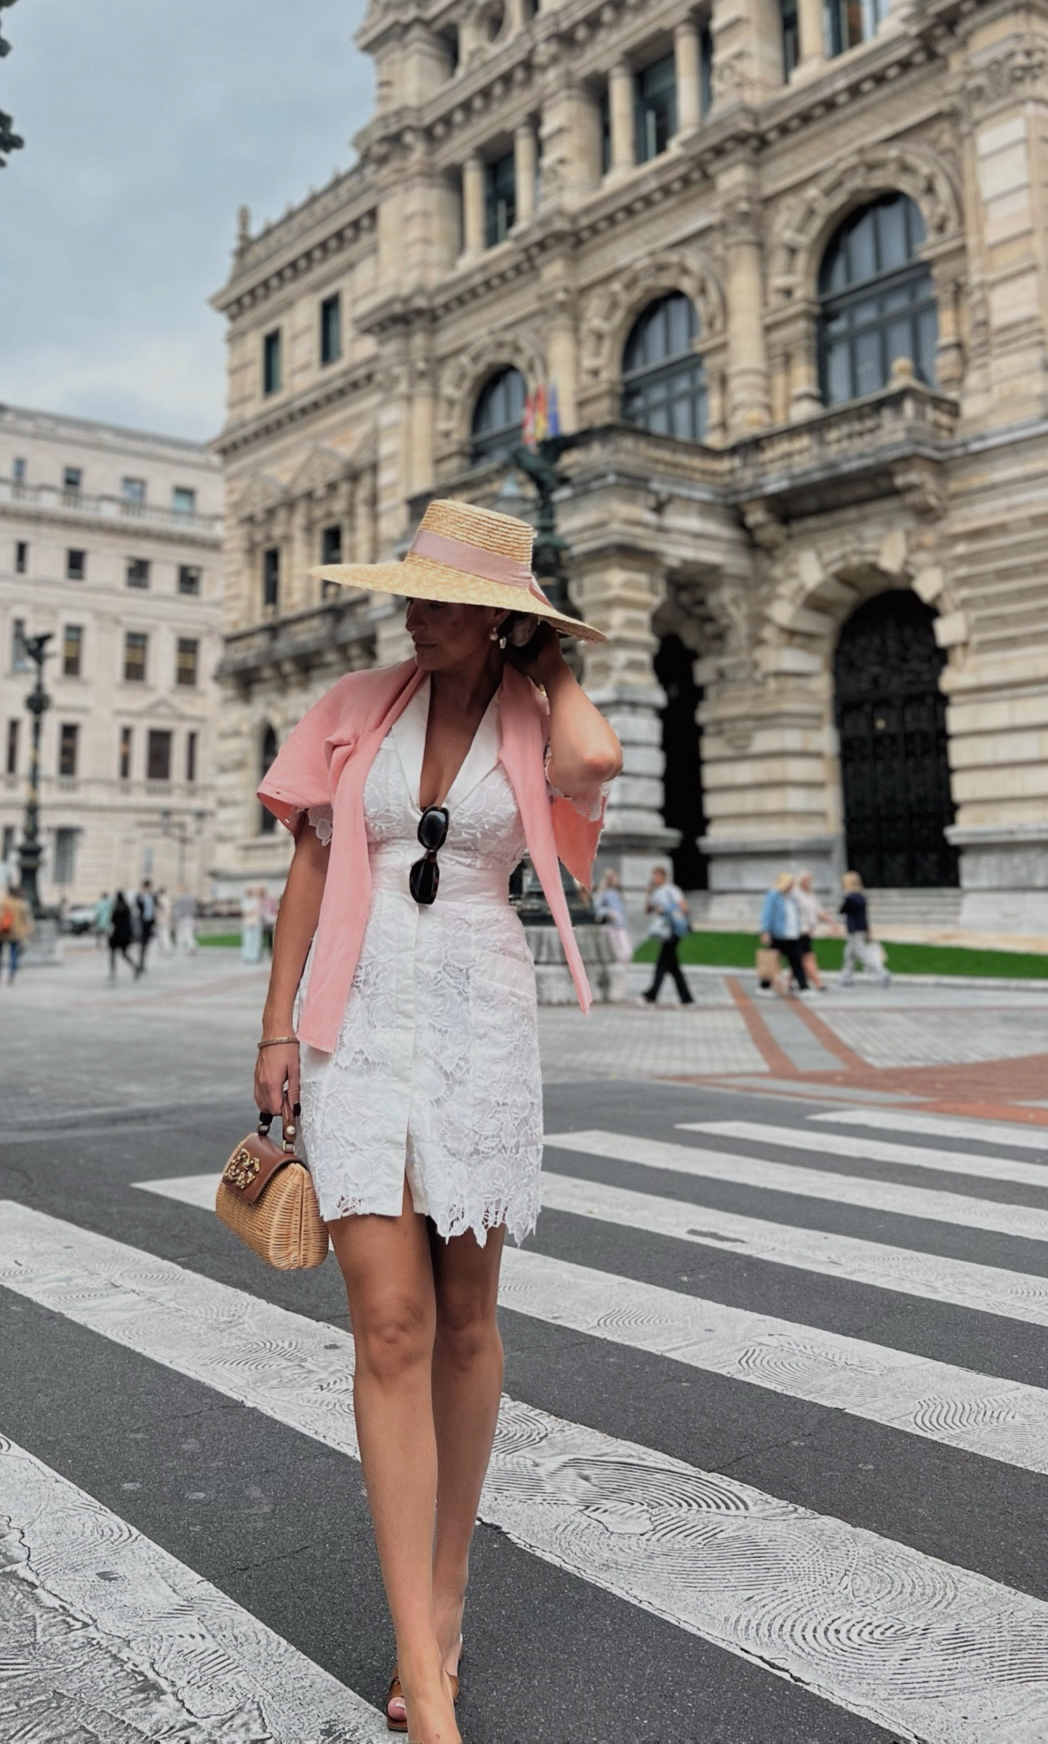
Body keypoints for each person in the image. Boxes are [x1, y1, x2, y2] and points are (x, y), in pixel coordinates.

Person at [253, 498, 620, 1744]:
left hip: (480, 1016)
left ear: (504, 619)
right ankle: (423, 1662)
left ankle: (447, 1592)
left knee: (468, 1318)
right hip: (355, 1016)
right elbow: (309, 862)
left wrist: (555, 663)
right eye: (409, 591)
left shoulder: (530, 710)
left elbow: (596, 764)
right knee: (392, 1321)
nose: (414, 611)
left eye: (444, 596)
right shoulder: (355, 702)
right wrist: (274, 1029)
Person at [636, 865, 694, 1005]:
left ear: (662, 876)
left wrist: (666, 909)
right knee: (673, 967)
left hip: (673, 931)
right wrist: (648, 894)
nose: (653, 879)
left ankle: (652, 994)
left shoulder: (671, 890)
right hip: (664, 931)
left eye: (656, 876)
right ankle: (686, 997)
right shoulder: (656, 892)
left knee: (662, 964)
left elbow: (684, 907)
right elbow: (648, 910)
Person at [838, 870, 889, 986]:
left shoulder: (850, 898)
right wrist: (868, 930)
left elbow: (841, 910)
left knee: (862, 954)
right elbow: (864, 916)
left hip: (854, 929)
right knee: (849, 953)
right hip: (860, 928)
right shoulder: (861, 897)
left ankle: (882, 973)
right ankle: (846, 976)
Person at [759, 872, 807, 992]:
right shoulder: (773, 895)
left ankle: (803, 986)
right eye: (790, 883)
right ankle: (764, 986)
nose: (791, 886)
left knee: (796, 960)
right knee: (771, 960)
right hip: (778, 934)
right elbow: (767, 913)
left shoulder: (792, 897)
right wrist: (765, 930)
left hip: (792, 934)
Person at [794, 870, 831, 992]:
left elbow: (818, 911)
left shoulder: (811, 895)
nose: (808, 882)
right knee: (808, 957)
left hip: (808, 930)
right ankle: (818, 983)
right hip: (799, 930)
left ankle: (788, 981)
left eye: (810, 879)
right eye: (806, 879)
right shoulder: (796, 895)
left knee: (798, 958)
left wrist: (831, 922)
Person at [0, 882, 32, 984]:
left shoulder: (3, 902)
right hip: (15, 933)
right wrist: (27, 931)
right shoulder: (22, 904)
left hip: (2, 932)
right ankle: (11, 977)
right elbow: (27, 919)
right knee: (13, 954)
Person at [592, 868, 632, 965]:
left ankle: (621, 969)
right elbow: (597, 908)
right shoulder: (606, 894)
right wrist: (608, 912)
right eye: (615, 878)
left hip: (621, 925)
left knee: (627, 951)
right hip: (611, 926)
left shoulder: (618, 893)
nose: (617, 881)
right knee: (617, 952)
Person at [107, 890, 137, 979]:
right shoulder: (127, 907)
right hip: (125, 934)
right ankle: (135, 966)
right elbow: (130, 921)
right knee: (124, 954)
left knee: (112, 953)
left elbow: (112, 921)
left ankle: (112, 971)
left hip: (117, 934)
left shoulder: (115, 908)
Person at [135, 879, 158, 975]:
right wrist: (142, 898)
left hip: (150, 921)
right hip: (143, 920)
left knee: (148, 940)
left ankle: (144, 948)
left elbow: (156, 904)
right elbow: (138, 905)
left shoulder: (152, 896)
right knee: (143, 941)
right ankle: (141, 961)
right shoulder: (140, 896)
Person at [240, 884, 264, 964]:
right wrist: (252, 910)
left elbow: (259, 910)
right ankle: (247, 955)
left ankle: (254, 955)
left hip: (256, 921)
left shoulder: (256, 900)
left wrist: (254, 910)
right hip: (248, 922)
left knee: (256, 939)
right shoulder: (245, 901)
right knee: (248, 939)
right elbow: (246, 911)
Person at [173, 886, 198, 954]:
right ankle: (191, 945)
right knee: (188, 933)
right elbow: (195, 910)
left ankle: (187, 946)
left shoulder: (181, 899)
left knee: (182, 934)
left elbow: (178, 910)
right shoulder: (192, 899)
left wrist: (175, 920)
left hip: (183, 918)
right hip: (190, 918)